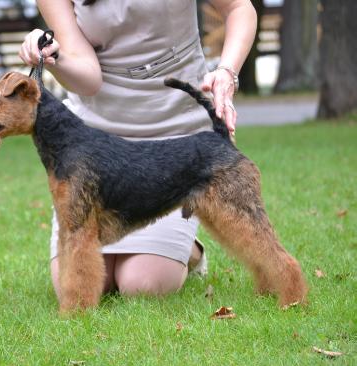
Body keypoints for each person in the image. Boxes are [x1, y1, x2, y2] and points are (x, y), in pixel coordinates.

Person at [19, 0, 257, 300]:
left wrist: (226, 71)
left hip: (177, 135)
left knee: (142, 284)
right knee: (76, 286)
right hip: (96, 144)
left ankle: (191, 251)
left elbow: (239, 9)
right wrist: (55, 57)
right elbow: (89, 79)